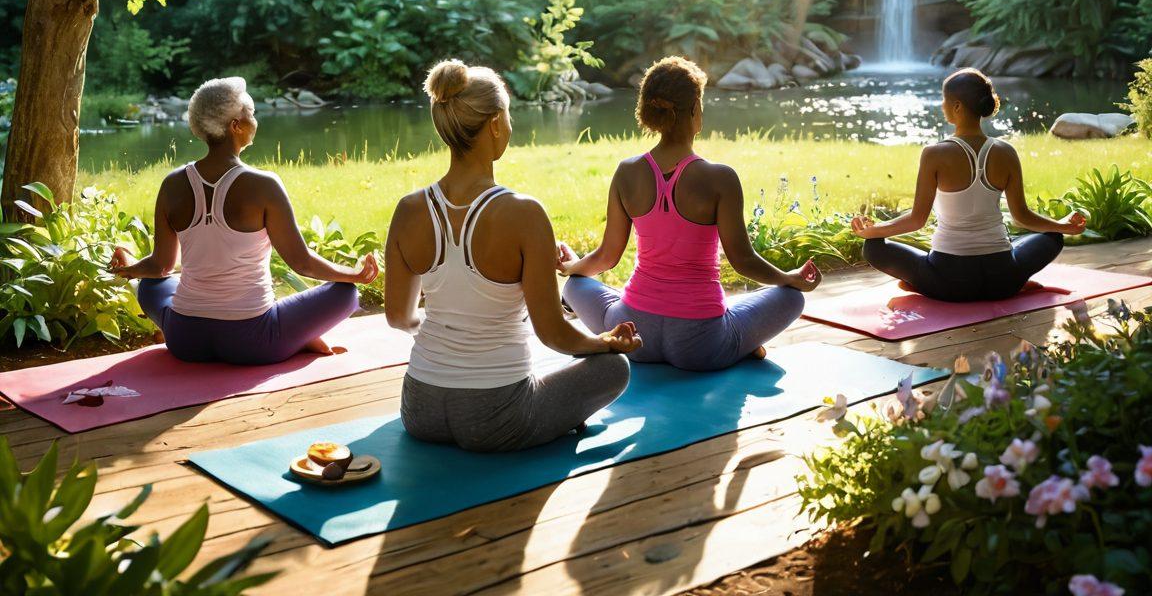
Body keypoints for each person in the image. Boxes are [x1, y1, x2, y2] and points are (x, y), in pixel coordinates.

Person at [385, 60, 641, 453]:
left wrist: (449, 331)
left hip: (420, 408)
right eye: (508, 115)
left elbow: (399, 317)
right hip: (497, 417)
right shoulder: (524, 213)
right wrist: (604, 342)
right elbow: (553, 333)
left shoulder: (408, 209)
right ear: (494, 125)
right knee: (614, 369)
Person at [559, 56, 820, 373]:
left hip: (634, 335)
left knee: (574, 286)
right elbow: (743, 262)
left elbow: (606, 257)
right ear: (695, 108)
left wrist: (572, 266)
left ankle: (736, 336)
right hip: (702, 345)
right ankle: (740, 343)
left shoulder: (626, 172)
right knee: (793, 299)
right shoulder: (720, 178)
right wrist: (789, 278)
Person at [109, 76, 377, 364]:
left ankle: (295, 334)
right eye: (251, 113)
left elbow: (161, 265)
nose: (255, 119)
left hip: (185, 339)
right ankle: (296, 336)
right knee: (346, 294)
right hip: (254, 342)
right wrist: (355, 275)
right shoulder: (264, 185)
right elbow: (301, 263)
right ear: (236, 126)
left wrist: (130, 270)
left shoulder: (172, 183)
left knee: (151, 284)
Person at [851, 67, 1088, 302]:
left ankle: (925, 286)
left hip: (949, 283)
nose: (942, 106)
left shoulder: (934, 153)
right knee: (1052, 237)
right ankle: (1018, 282)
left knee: (873, 248)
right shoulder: (1006, 152)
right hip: (1003, 280)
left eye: (944, 100)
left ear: (957, 106)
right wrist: (1062, 226)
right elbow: (1022, 217)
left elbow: (917, 220)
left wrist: (873, 231)